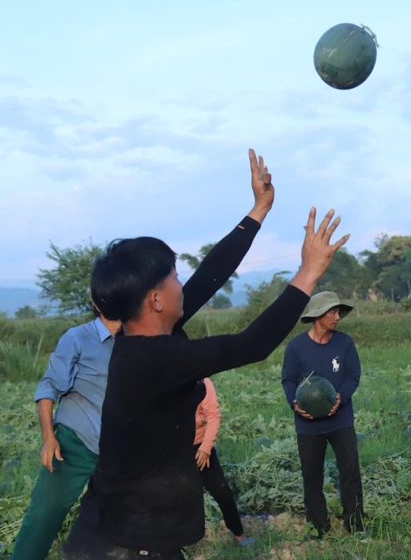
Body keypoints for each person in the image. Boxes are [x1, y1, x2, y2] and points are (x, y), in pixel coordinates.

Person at [59, 148, 350, 560]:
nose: (183, 285)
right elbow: (253, 344)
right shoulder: (152, 359)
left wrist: (259, 210)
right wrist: (308, 272)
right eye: (175, 278)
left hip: (123, 534)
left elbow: (210, 275)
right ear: (156, 299)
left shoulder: (147, 330)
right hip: (122, 548)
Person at [7, 301, 121, 560]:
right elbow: (49, 386)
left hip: (117, 449)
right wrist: (49, 438)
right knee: (42, 518)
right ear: (97, 302)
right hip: (73, 442)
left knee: (125, 521)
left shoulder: (137, 340)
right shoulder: (77, 338)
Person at [281, 291, 365, 540]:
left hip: (341, 420)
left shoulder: (345, 343)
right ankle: (318, 527)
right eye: (333, 312)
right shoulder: (296, 347)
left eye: (338, 312)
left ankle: (356, 524)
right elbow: (288, 380)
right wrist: (294, 404)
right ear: (318, 315)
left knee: (350, 471)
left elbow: (353, 376)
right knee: (312, 475)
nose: (337, 317)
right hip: (308, 425)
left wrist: (341, 398)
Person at [193, 377, 254, 547]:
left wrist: (206, 447)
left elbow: (213, 415)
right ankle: (176, 542)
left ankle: (238, 535)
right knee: (178, 495)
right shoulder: (168, 381)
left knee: (222, 492)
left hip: (201, 446)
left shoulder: (203, 382)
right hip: (176, 448)